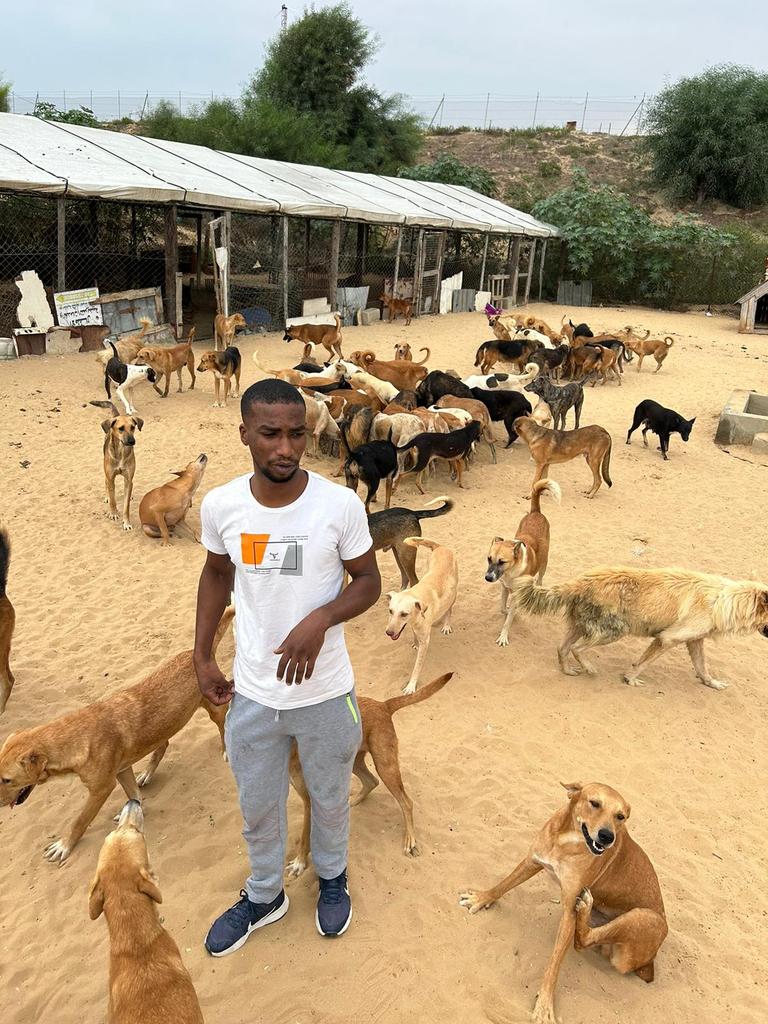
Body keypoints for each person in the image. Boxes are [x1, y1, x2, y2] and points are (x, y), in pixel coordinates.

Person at [194, 377, 380, 956]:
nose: (285, 448)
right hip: (254, 693)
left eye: (296, 434)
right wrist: (202, 655)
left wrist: (323, 617)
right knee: (258, 806)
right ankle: (264, 894)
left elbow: (369, 581)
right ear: (244, 433)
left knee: (329, 797)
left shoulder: (339, 505)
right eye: (270, 434)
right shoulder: (222, 505)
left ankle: (332, 878)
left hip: (326, 693)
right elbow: (216, 574)